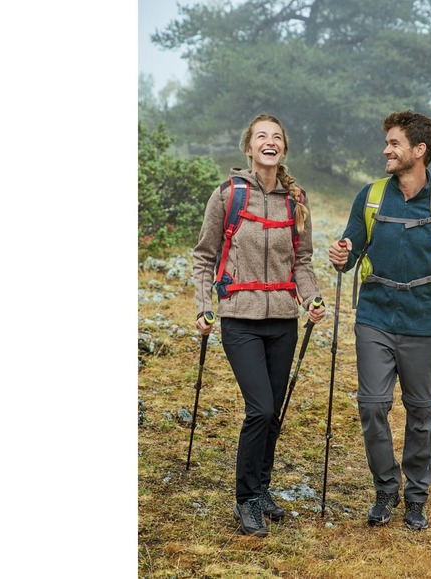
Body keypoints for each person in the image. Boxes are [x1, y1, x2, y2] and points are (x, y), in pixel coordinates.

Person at [328, 110, 431, 531]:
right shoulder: (371, 196)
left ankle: (416, 497)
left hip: (423, 324)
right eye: (387, 143)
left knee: (420, 413)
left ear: (419, 150)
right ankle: (385, 488)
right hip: (374, 317)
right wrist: (342, 256)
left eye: (394, 144)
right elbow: (350, 251)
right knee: (373, 405)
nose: (386, 151)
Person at [193, 113, 326, 537]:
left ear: (283, 148)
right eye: (261, 137)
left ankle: (262, 488)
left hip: (283, 320)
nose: (270, 142)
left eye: (277, 137)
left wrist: (312, 298)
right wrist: (203, 306)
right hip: (240, 319)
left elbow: (301, 261)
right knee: (260, 408)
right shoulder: (228, 194)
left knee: (274, 413)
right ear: (249, 148)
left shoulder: (296, 199)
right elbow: (204, 256)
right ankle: (246, 500)